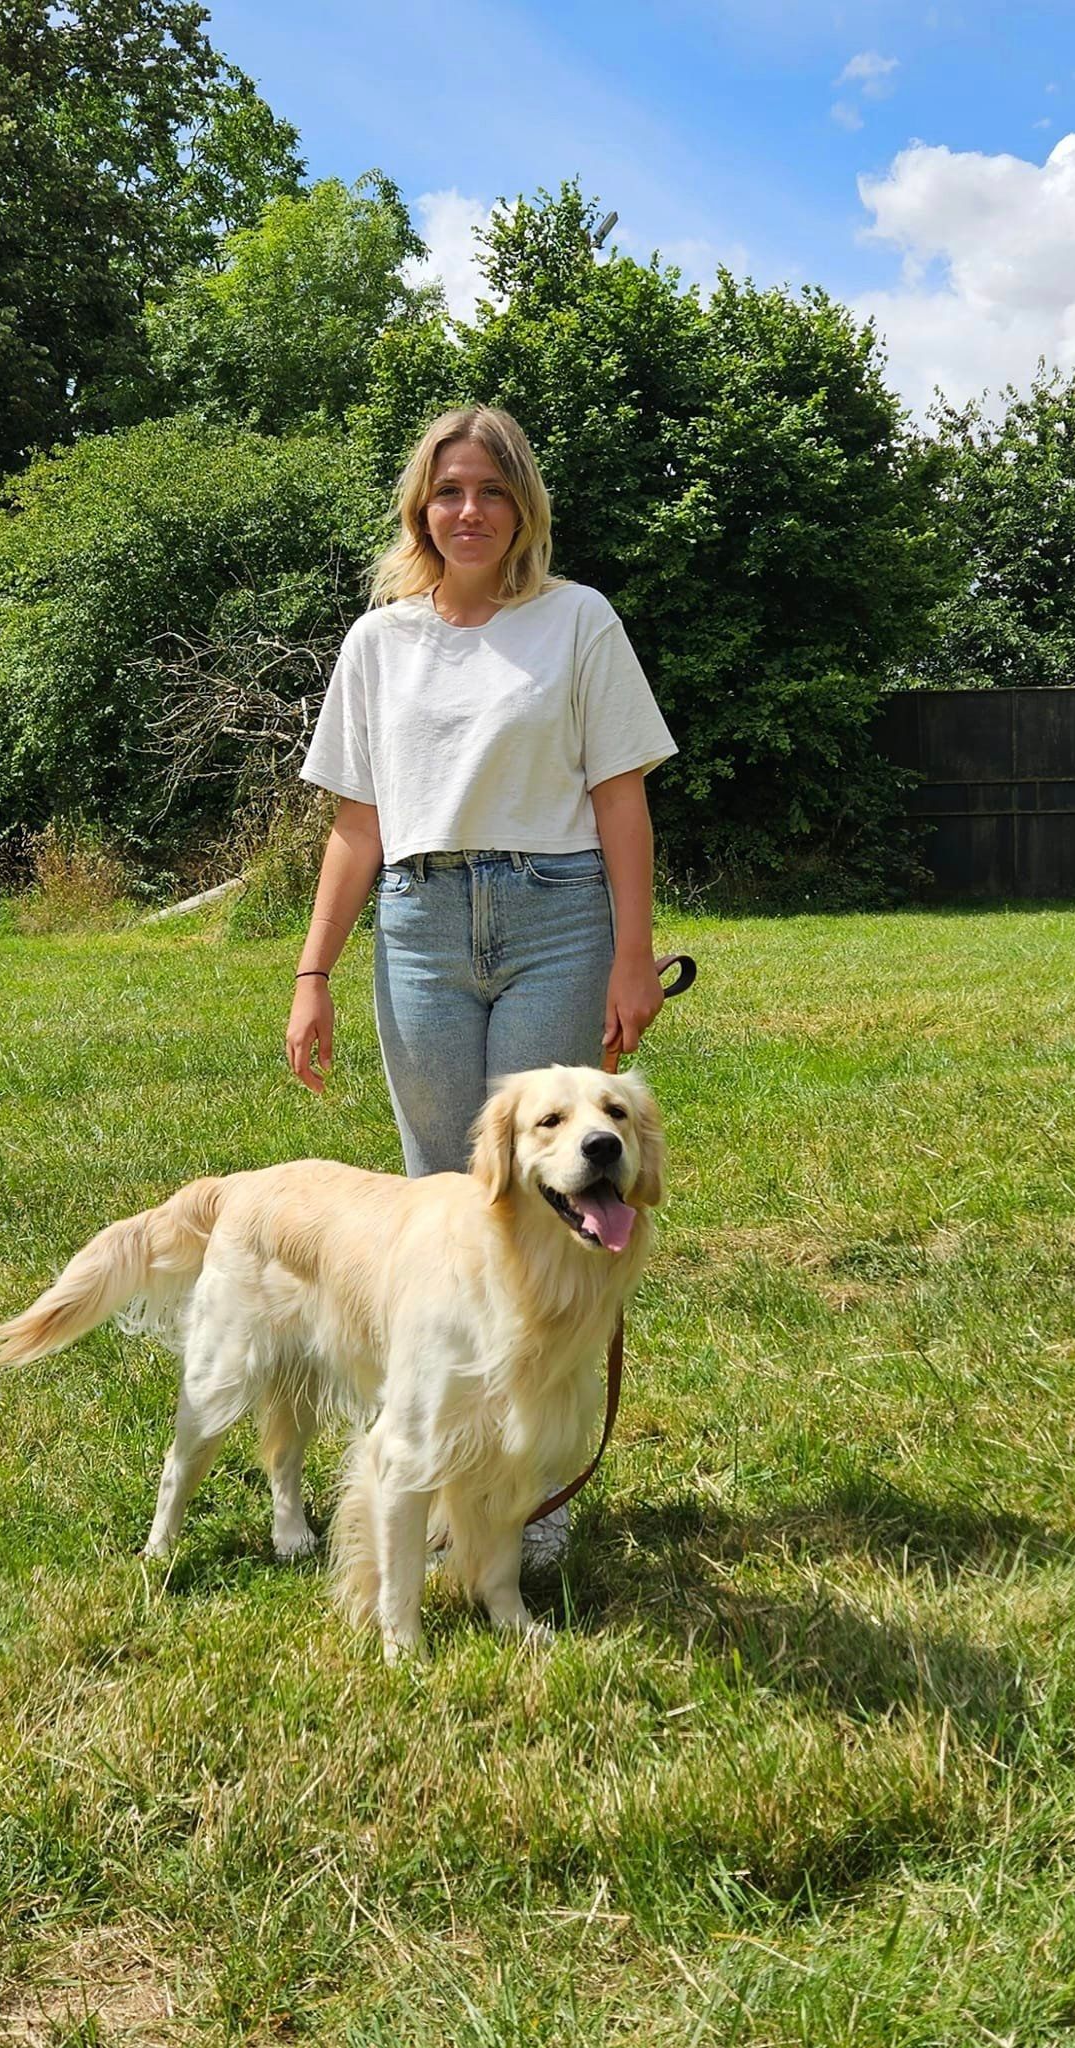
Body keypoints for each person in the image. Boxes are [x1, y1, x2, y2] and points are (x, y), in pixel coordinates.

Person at [284, 405, 677, 1556]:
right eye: (448, 491)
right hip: (417, 923)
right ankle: (442, 1472)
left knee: (563, 1200)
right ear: (421, 508)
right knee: (446, 1202)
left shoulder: (576, 622)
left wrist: (629, 953)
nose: (469, 511)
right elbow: (356, 826)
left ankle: (532, 1498)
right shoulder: (379, 642)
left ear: (524, 510)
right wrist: (312, 971)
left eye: (492, 492)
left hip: (558, 914)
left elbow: (619, 798)